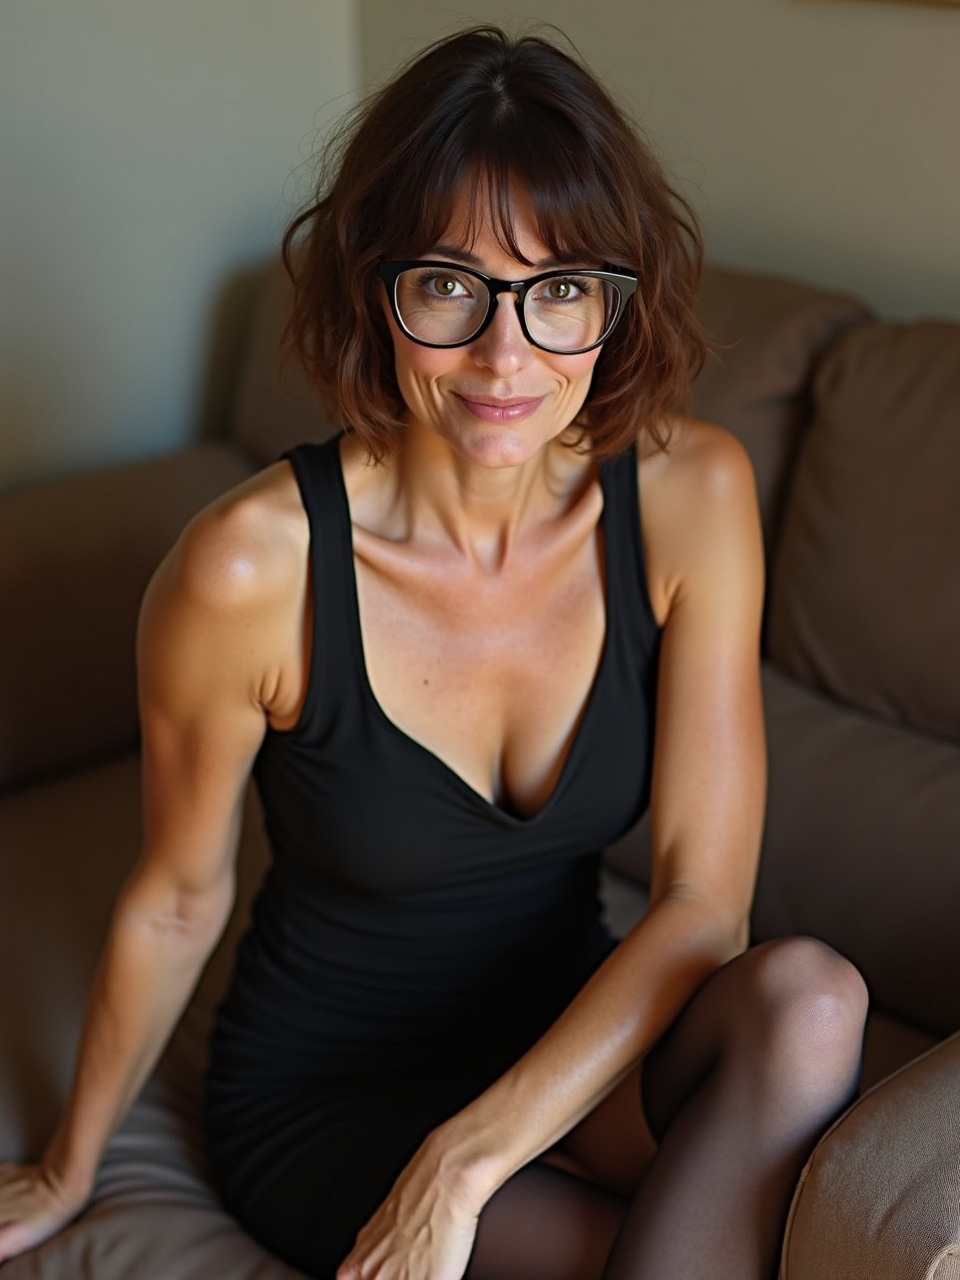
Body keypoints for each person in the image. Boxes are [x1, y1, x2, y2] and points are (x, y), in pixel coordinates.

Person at [0, 25, 867, 1280]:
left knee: (815, 1001)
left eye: (561, 285)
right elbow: (179, 897)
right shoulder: (248, 569)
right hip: (329, 1090)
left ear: (615, 301)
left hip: (567, 1038)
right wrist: (70, 1166)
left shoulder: (693, 494)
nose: (508, 355)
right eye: (452, 285)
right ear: (374, 289)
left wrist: (462, 1162)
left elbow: (700, 904)